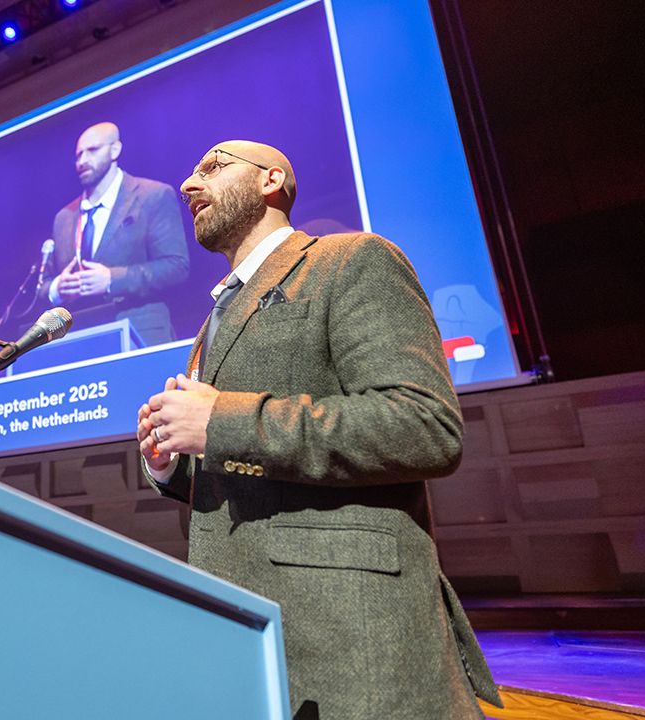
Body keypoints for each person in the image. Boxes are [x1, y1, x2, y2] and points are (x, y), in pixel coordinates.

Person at [137, 141, 502, 719]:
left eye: (213, 166)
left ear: (271, 180)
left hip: (351, 633)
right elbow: (247, 467)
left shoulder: (353, 259)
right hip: (248, 634)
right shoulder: (215, 317)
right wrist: (172, 462)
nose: (187, 184)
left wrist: (220, 419)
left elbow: (424, 424)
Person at [43, 122, 189, 346]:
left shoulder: (153, 196)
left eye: (92, 150)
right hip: (82, 339)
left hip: (140, 334)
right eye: (78, 154)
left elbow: (176, 266)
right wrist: (57, 289)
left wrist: (112, 279)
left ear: (115, 150)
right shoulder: (64, 217)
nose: (82, 161)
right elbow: (44, 284)